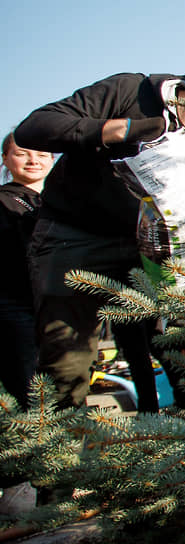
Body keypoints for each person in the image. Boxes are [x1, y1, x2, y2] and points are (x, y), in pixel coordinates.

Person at [14, 47, 185, 411]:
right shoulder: (131, 93)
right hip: (76, 239)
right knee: (66, 362)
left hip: (155, 256)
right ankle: (55, 456)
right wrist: (121, 130)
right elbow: (35, 127)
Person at [0, 134, 54, 409]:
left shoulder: (63, 202)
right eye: (22, 153)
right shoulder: (3, 202)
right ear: (5, 159)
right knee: (31, 399)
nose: (34, 160)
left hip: (61, 310)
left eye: (43, 154)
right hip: (17, 309)